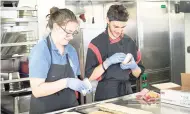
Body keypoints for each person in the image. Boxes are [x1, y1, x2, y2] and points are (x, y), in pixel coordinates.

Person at [29, 7, 87, 114]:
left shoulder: (71, 50)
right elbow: (37, 91)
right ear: (56, 27)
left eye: (73, 33)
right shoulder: (41, 51)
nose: (71, 37)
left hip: (70, 109)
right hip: (46, 110)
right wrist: (67, 82)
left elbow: (75, 78)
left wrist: (85, 84)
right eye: (68, 32)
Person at [85, 4, 145, 101]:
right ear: (108, 20)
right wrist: (107, 63)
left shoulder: (130, 42)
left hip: (127, 93)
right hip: (105, 95)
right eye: (116, 26)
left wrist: (134, 66)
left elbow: (137, 74)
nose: (119, 31)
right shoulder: (96, 44)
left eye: (123, 27)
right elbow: (90, 77)